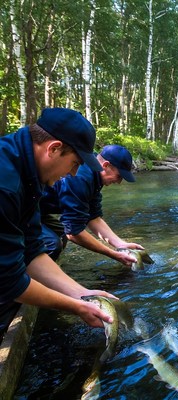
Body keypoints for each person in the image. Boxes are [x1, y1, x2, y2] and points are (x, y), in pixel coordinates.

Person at [0, 107, 116, 341]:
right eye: (74, 163)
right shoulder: (6, 184)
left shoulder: (30, 175)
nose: (73, 173)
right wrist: (76, 307)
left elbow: (32, 251)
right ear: (54, 149)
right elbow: (9, 282)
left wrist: (82, 294)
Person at [40, 144, 144, 266]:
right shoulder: (80, 178)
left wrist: (120, 244)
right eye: (119, 176)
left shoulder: (95, 175)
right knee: (51, 244)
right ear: (106, 166)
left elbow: (93, 217)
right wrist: (113, 254)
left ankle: (49, 271)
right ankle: (27, 280)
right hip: (24, 208)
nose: (119, 182)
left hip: (40, 210)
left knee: (60, 234)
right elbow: (73, 232)